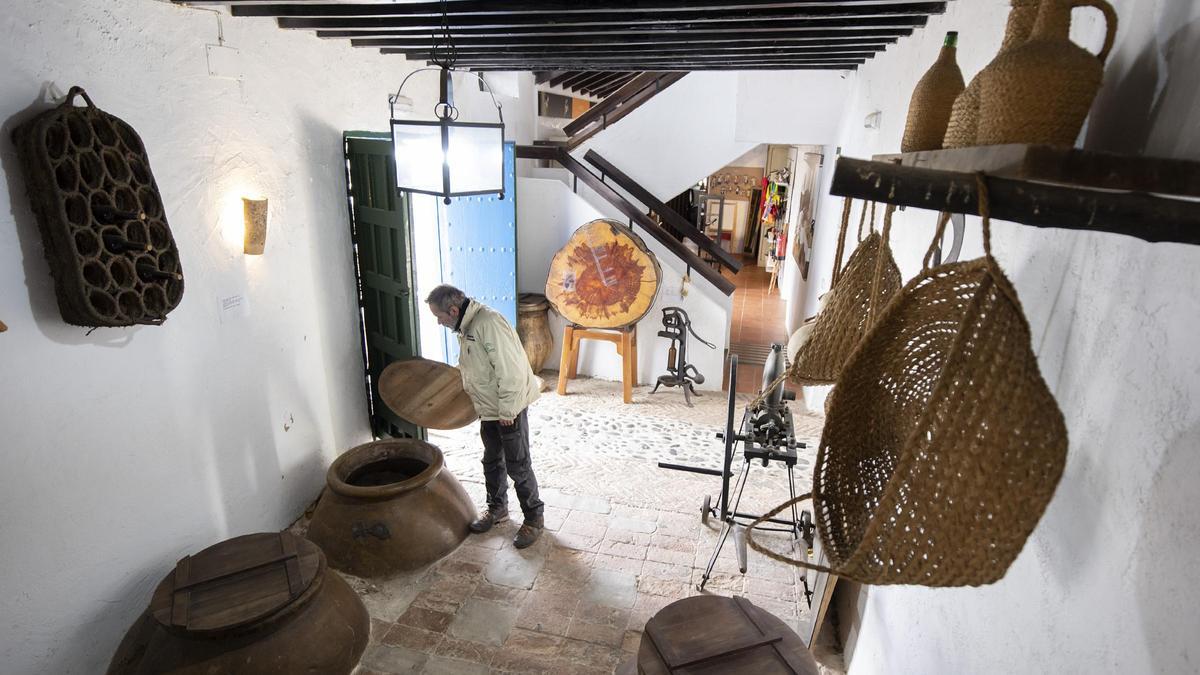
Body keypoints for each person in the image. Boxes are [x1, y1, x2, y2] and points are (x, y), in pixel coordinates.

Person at [425, 284, 545, 549]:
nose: (438, 322)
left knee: (518, 464)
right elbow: (474, 366)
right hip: (489, 407)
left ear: (453, 310)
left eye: (439, 316)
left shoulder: (487, 323)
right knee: (492, 459)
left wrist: (507, 410)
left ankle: (534, 518)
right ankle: (497, 508)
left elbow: (510, 370)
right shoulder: (466, 325)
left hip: (506, 406)